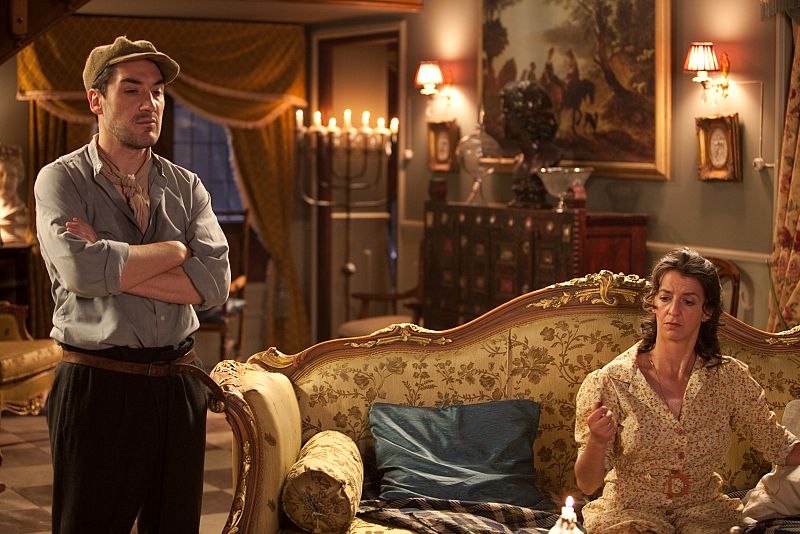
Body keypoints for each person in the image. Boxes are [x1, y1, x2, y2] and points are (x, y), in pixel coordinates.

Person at [34, 36, 230, 534]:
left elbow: (214, 284)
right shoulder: (61, 181)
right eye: (132, 89)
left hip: (179, 384)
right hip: (97, 383)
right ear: (96, 100)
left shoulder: (187, 186)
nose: (150, 103)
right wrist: (176, 251)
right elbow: (81, 274)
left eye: (158, 91)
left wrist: (110, 260)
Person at [574, 248, 800, 533]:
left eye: (688, 301)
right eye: (665, 298)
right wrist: (597, 441)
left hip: (704, 514)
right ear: (653, 304)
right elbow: (587, 484)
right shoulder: (612, 381)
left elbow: (780, 446)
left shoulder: (729, 379)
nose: (673, 311)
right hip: (629, 514)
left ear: (707, 311)